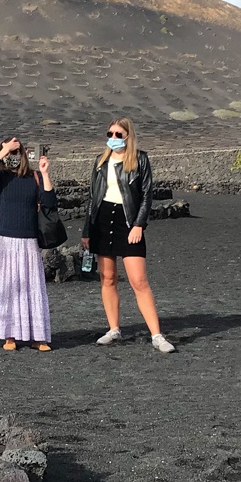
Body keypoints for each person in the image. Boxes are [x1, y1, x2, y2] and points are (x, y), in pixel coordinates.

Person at [80, 116, 175, 353]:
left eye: (118, 135)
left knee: (139, 281)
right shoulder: (100, 161)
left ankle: (157, 335)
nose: (113, 138)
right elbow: (92, 197)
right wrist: (86, 230)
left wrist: (139, 224)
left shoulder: (140, 159)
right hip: (102, 220)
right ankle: (113, 329)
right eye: (110, 134)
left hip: (128, 221)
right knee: (107, 277)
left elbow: (146, 195)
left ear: (128, 136)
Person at [0, 137, 56, 351]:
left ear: (23, 154)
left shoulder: (34, 177)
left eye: (16, 152)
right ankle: (10, 336)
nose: (13, 157)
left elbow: (50, 202)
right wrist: (4, 150)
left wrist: (44, 173)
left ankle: (39, 336)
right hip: (5, 240)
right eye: (9, 153)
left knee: (31, 287)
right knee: (7, 288)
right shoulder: (1, 177)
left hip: (28, 241)